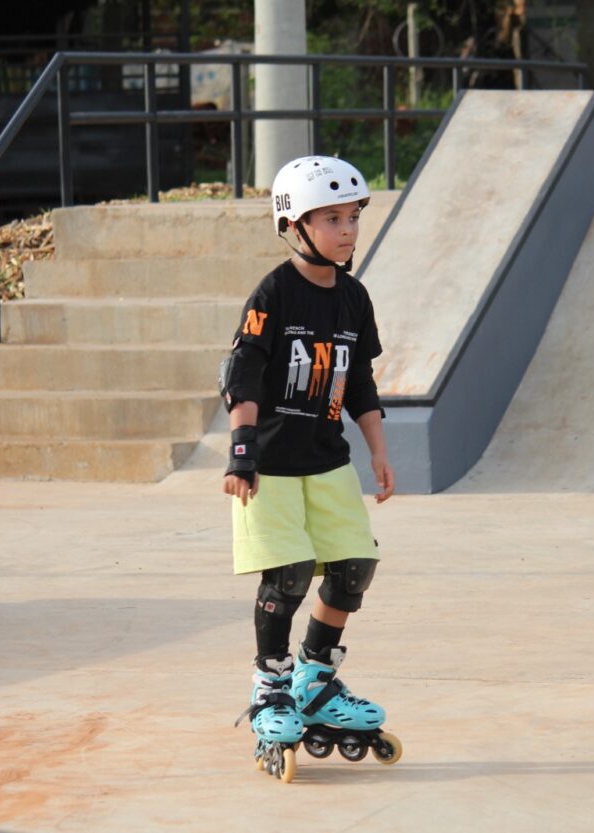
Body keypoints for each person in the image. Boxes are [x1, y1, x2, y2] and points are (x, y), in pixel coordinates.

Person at [221, 156, 401, 782]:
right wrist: (242, 447)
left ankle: (315, 679)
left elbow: (361, 382)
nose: (347, 229)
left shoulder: (353, 297)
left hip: (328, 462)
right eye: (331, 218)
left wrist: (377, 450)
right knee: (290, 572)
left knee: (354, 566)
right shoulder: (273, 294)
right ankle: (270, 686)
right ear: (294, 225)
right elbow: (241, 373)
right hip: (269, 464)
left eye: (352, 217)